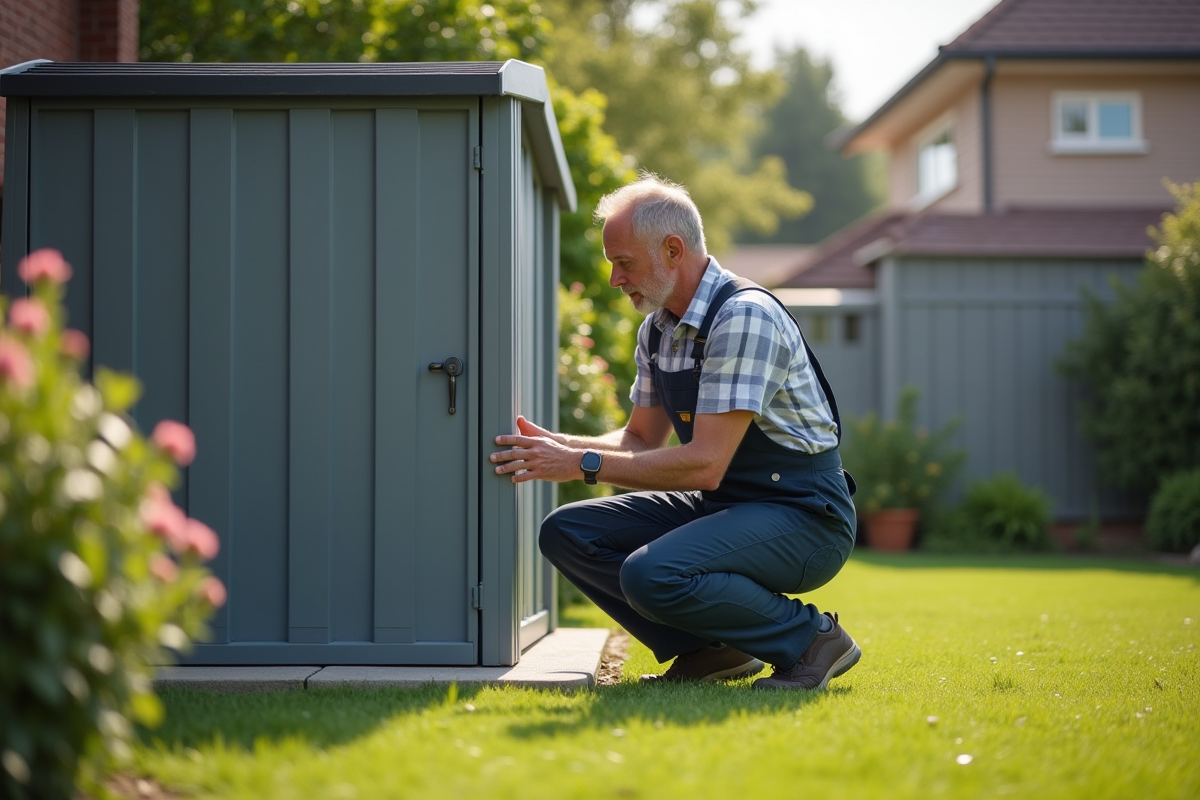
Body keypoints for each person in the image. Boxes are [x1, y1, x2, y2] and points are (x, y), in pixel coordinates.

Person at [490, 174, 859, 690]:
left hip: (803, 516)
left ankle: (811, 639)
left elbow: (705, 464)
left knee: (650, 573)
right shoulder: (658, 328)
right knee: (568, 533)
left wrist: (579, 464)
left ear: (672, 249)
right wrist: (554, 446)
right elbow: (639, 442)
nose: (615, 279)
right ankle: (713, 649)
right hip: (727, 506)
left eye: (624, 262)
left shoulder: (743, 318)